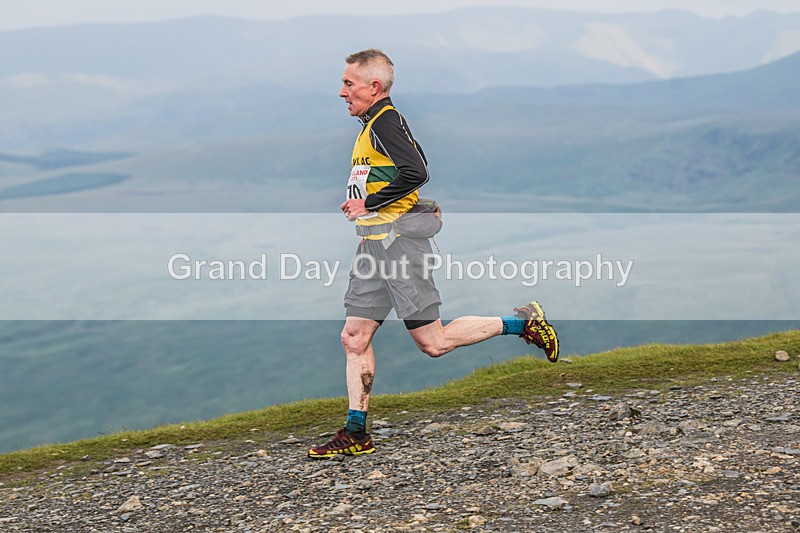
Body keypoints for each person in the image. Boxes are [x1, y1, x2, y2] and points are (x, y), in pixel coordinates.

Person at [308, 49, 558, 458]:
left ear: (374, 87)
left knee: (434, 342)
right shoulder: (376, 122)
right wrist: (382, 208)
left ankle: (522, 322)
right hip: (374, 248)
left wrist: (370, 202)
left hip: (399, 249)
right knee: (354, 337)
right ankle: (356, 432)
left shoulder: (385, 121)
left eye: (349, 83)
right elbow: (415, 166)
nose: (342, 92)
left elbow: (417, 172)